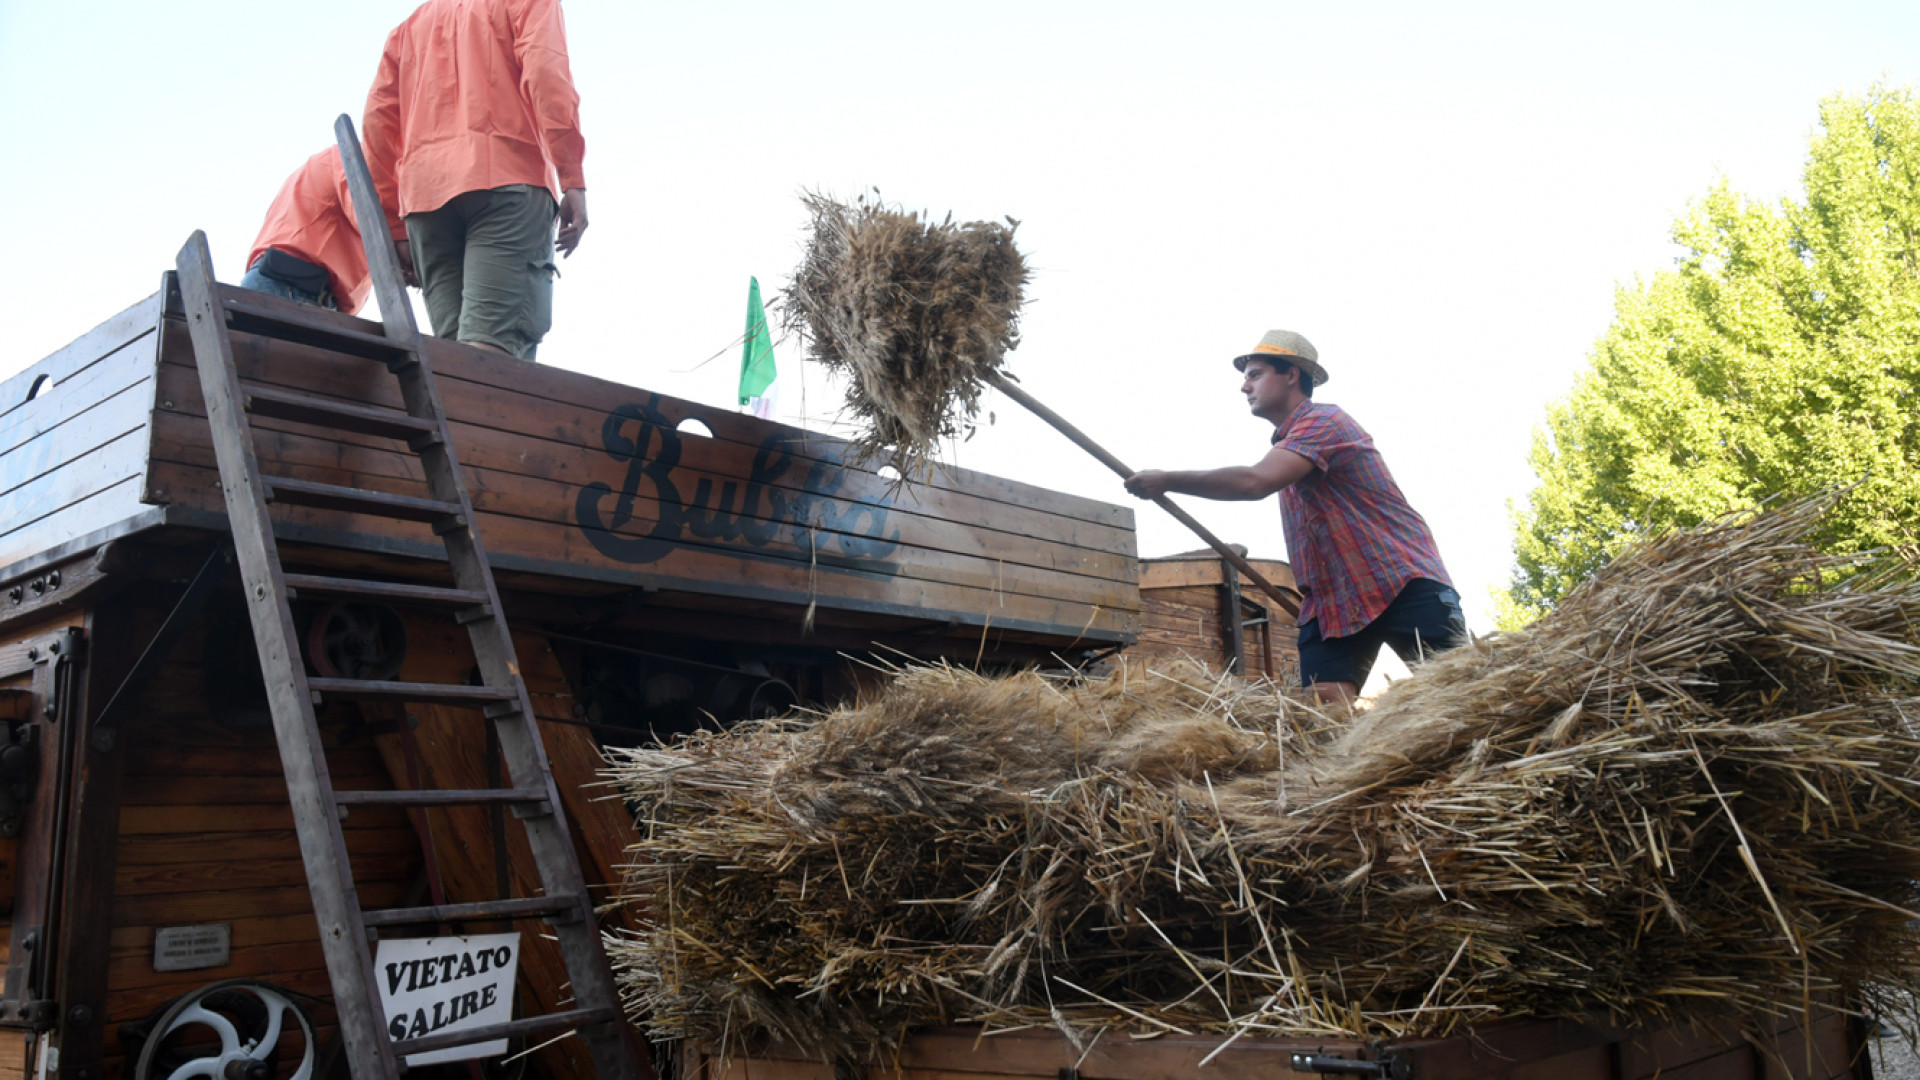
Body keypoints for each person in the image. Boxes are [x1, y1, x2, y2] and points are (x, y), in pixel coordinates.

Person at [1124, 330, 1465, 707]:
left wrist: (1167, 480)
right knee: (1324, 709)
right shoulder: (1291, 448)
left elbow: (1255, 482)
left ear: (1291, 375)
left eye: (1255, 374)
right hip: (1332, 602)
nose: (1244, 387)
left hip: (1399, 581)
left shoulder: (1325, 422)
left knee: (1459, 694)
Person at [362, 0, 588, 361]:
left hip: (426, 201)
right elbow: (547, 71)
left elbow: (377, 127)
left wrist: (394, 227)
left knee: (452, 358)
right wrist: (572, 177)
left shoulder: (407, 30)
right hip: (507, 180)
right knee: (493, 348)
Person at [240, 147, 371, 314]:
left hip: (274, 283)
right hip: (294, 288)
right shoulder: (355, 155)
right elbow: (370, 217)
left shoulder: (324, 163)